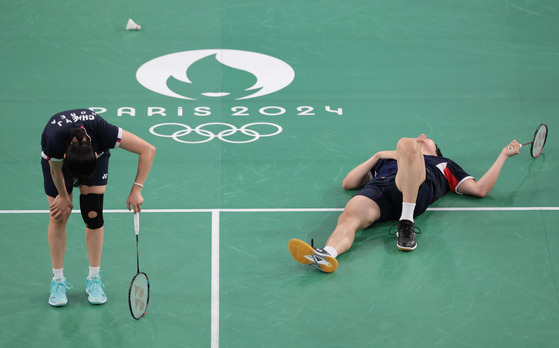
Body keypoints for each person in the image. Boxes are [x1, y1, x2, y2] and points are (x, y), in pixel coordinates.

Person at [288, 134, 520, 273]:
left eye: (427, 139)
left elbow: (479, 190)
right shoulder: (386, 160)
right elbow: (349, 183)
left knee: (406, 143)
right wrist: (378, 155)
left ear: (435, 150)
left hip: (414, 189)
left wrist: (503, 156)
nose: (422, 135)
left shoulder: (444, 164)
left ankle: (405, 222)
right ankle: (327, 255)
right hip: (381, 190)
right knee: (349, 218)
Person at [42, 109, 156, 306]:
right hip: (58, 165)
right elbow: (55, 169)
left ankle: (94, 278)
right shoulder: (54, 141)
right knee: (59, 214)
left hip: (93, 161)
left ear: (95, 152)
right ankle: (57, 280)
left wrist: (137, 190)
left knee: (93, 213)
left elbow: (148, 150)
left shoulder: (103, 131)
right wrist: (62, 195)